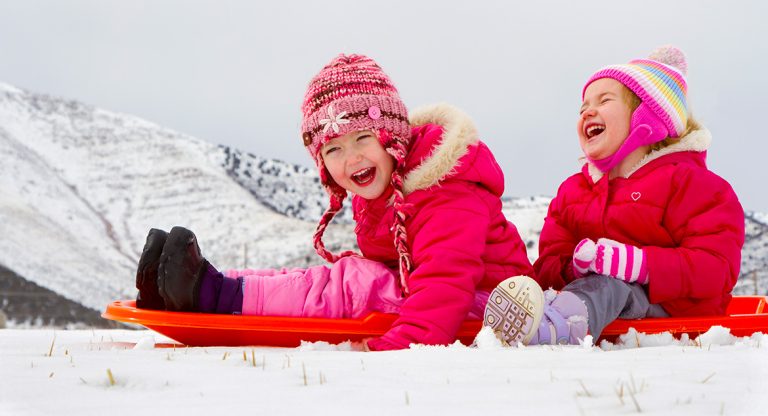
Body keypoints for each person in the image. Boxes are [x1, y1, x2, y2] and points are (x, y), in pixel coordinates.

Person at [135, 54, 534, 351]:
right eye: (334, 150)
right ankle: (203, 282)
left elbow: (446, 281)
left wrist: (401, 345)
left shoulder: (446, 190)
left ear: (391, 139)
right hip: (438, 299)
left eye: (363, 139)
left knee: (357, 285)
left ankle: (215, 296)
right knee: (336, 277)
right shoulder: (380, 190)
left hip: (486, 305)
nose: (352, 158)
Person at [484, 46, 745, 346]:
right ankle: (525, 319)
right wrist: (574, 267)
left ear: (646, 116)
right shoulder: (574, 192)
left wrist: (640, 265)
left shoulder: (691, 183)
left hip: (671, 309)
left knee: (609, 287)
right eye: (582, 107)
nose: (587, 112)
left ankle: (555, 330)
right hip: (593, 300)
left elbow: (716, 267)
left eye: (604, 100)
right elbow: (547, 266)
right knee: (584, 287)